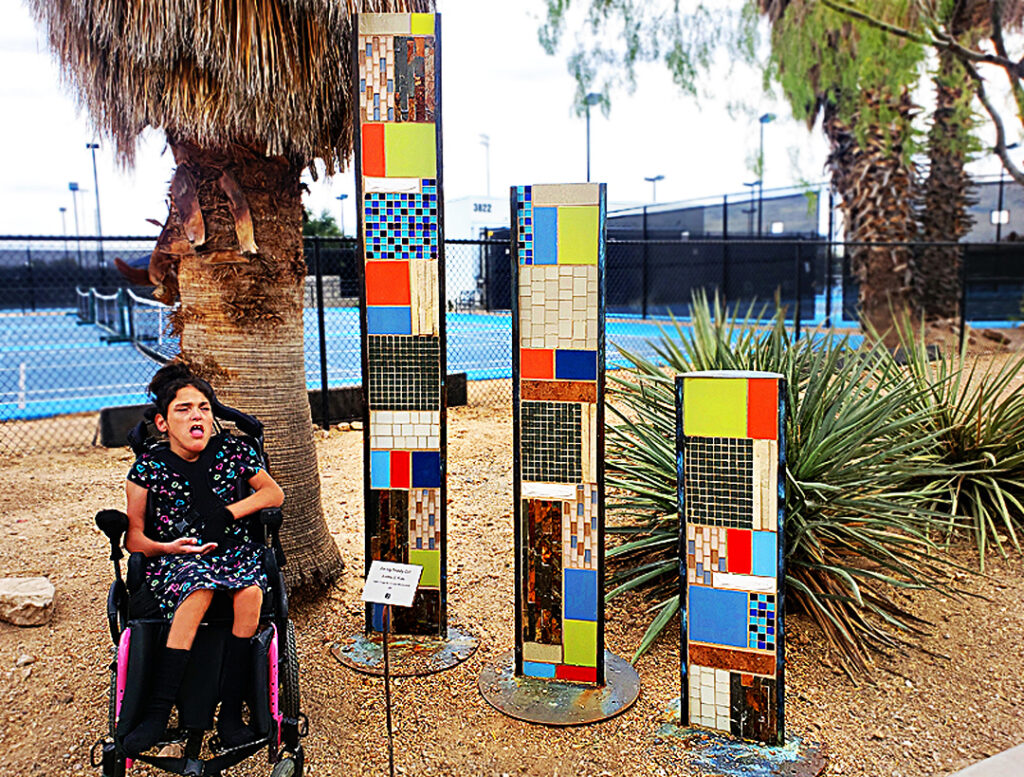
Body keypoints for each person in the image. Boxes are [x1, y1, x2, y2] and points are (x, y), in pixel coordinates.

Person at [122, 363, 284, 755]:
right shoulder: (147, 468)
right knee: (199, 588)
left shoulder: (233, 451)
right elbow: (134, 538)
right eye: (184, 409)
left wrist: (228, 513)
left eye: (204, 408)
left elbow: (273, 494)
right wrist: (168, 548)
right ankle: (158, 713)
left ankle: (230, 715)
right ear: (162, 423)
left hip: (232, 551)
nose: (197, 415)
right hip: (175, 559)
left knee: (251, 594)